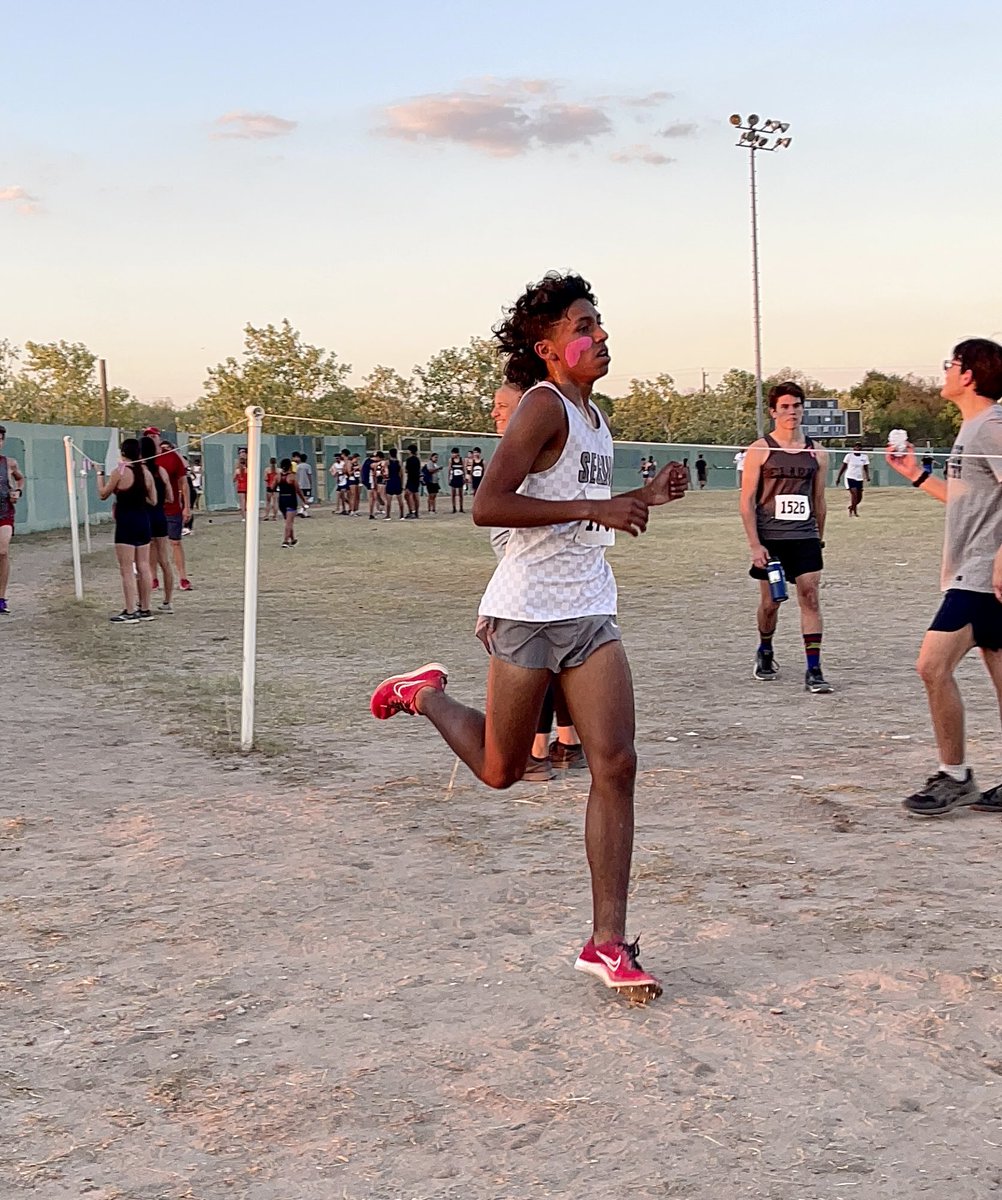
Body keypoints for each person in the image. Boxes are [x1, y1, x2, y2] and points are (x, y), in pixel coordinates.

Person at [370, 272, 688, 1000]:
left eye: (600, 323)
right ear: (548, 348)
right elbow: (489, 505)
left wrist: (644, 498)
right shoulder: (543, 406)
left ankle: (608, 943)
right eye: (585, 327)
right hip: (525, 615)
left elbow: (581, 509)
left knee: (617, 764)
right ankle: (424, 696)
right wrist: (598, 507)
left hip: (589, 612)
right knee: (501, 770)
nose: (601, 335)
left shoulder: (595, 415)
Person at [886, 339, 1002, 816]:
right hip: (975, 570)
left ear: (969, 374)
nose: (945, 372)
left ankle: (955, 776)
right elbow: (963, 499)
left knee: (932, 665)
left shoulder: (992, 427)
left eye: (951, 364)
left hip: (980, 574)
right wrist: (915, 475)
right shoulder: (972, 428)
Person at [487, 379, 587, 779]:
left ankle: (540, 748)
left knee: (546, 664)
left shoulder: (535, 447)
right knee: (561, 662)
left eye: (502, 405)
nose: (495, 412)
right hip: (554, 578)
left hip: (541, 582)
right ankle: (566, 742)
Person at [740, 382, 832, 693]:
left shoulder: (816, 452)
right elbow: (747, 502)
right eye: (785, 407)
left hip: (804, 536)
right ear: (773, 412)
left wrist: (819, 536)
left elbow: (819, 499)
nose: (791, 412)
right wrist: (755, 544)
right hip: (771, 539)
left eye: (796, 406)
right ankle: (765, 649)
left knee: (810, 595)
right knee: (771, 603)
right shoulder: (761, 450)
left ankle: (814, 669)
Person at [97, 438, 156, 622]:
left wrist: (100, 475)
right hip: (143, 521)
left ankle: (130, 611)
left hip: (126, 522)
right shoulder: (146, 473)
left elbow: (103, 494)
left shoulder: (119, 472)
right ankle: (145, 608)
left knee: (126, 569)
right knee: (144, 566)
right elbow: (153, 500)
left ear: (123, 452)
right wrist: (137, 496)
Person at [144, 429, 192, 592]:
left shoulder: (171, 456)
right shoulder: (142, 458)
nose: (151, 439)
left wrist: (187, 506)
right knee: (152, 544)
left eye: (154, 436)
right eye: (148, 437)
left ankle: (183, 577)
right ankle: (153, 578)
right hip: (151, 508)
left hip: (172, 508)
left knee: (175, 542)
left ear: (159, 438)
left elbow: (183, 483)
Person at [140, 435, 175, 615]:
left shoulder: (139, 471)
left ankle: (142, 601)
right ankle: (168, 601)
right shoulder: (161, 471)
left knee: (142, 561)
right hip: (160, 517)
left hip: (143, 516)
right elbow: (170, 497)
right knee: (164, 561)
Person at [0, 426, 25, 614]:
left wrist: (17, 491)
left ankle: (1, 598)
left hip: (4, 512)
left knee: (2, 551)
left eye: (0, 439)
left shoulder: (9, 463)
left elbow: (20, 479)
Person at [836, 443, 871, 516]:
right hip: (850, 477)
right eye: (856, 447)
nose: (857, 449)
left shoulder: (864, 457)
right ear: (853, 448)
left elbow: (866, 467)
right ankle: (854, 512)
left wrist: (867, 476)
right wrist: (838, 477)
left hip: (859, 478)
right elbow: (844, 467)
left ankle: (852, 507)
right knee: (854, 495)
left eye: (859, 447)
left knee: (859, 498)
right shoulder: (849, 456)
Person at [277, 458, 305, 547]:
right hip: (290, 499)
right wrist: (304, 500)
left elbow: (272, 487)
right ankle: (285, 541)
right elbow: (298, 490)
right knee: (289, 522)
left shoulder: (278, 476)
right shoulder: (292, 477)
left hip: (281, 499)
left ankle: (293, 539)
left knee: (288, 520)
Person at [384, 447, 404, 520]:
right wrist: (401, 483)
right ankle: (402, 515)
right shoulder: (399, 462)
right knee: (400, 500)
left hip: (390, 480)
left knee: (389, 500)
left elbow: (386, 473)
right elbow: (401, 474)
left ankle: (388, 515)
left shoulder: (387, 462)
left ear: (389, 454)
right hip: (397, 480)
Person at [404, 443, 422, 519]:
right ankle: (416, 512)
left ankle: (412, 511)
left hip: (411, 478)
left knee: (408, 495)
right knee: (415, 495)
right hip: (416, 479)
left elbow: (406, 470)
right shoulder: (417, 459)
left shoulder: (409, 460)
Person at [369, 451, 387, 519]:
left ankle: (385, 509)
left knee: (382, 495)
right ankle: (378, 509)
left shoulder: (383, 462)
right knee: (376, 495)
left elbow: (384, 470)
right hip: (377, 479)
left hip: (381, 479)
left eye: (376, 457)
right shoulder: (375, 464)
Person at [448, 448, 466, 512]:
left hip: (460, 477)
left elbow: (464, 469)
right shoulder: (451, 460)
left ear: (457, 453)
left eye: (454, 453)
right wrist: (449, 479)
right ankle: (454, 508)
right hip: (453, 477)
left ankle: (461, 507)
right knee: (453, 494)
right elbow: (449, 470)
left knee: (460, 494)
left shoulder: (462, 460)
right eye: (452, 453)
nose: (452, 455)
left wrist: (464, 478)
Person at [233, 448, 248, 519]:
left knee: (242, 503)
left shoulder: (237, 470)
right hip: (248, 487)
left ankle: (243, 517)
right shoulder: (248, 470)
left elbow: (234, 479)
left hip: (240, 487)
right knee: (248, 503)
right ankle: (249, 516)